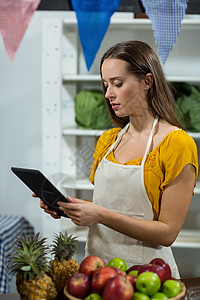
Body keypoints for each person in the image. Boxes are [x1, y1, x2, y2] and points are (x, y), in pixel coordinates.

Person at [39, 40, 198, 277]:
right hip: (98, 272)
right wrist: (65, 207)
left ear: (147, 81)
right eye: (105, 84)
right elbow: (106, 206)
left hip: (149, 277)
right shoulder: (108, 140)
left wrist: (100, 214)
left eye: (117, 83)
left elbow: (167, 233)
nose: (108, 94)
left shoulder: (177, 144)